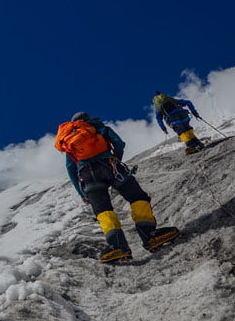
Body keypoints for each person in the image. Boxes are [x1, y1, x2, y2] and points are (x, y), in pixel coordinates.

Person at [55, 112, 180, 263]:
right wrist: (115, 160)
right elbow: (119, 143)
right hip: (111, 166)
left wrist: (81, 192)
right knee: (137, 197)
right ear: (88, 120)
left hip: (88, 175)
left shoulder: (69, 140)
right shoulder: (99, 128)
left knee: (103, 210)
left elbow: (71, 169)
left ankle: (118, 247)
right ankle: (150, 235)